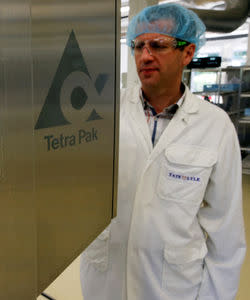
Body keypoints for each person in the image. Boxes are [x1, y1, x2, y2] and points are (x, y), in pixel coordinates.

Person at [80, 3, 247, 300]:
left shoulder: (216, 127)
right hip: (105, 281)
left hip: (173, 287)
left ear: (187, 53)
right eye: (139, 45)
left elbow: (227, 237)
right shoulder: (104, 113)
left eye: (158, 45)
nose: (145, 55)